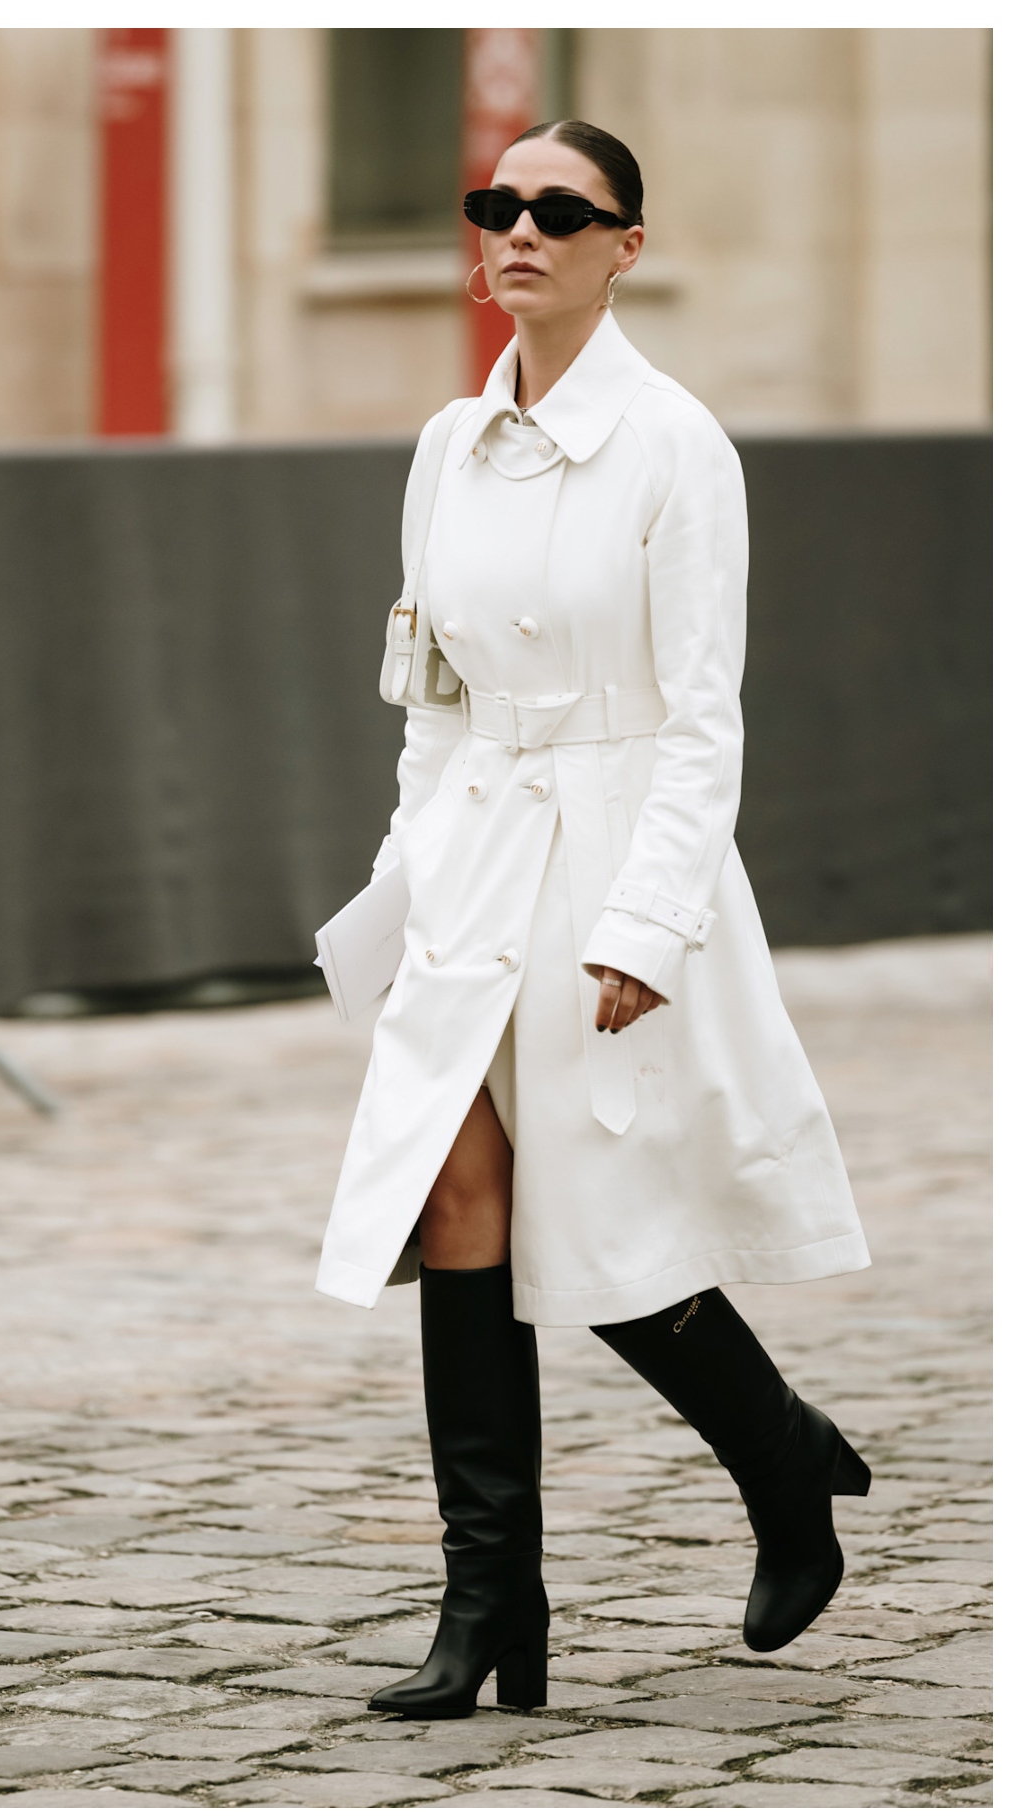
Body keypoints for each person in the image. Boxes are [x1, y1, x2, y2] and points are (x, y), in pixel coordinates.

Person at [313, 120, 877, 1719]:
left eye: (562, 212)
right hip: (473, 858)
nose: (522, 233)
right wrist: (410, 870)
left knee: (607, 1234)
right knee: (457, 1207)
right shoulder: (449, 442)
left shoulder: (676, 444)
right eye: (497, 206)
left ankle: (783, 1463)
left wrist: (649, 922)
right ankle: (490, 1602)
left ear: (626, 244)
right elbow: (426, 689)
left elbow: (708, 721)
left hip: (614, 854)